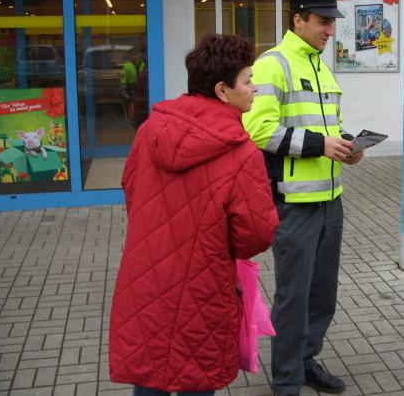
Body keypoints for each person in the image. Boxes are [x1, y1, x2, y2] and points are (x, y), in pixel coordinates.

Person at [109, 33, 279, 396]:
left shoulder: (149, 130)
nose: (255, 88)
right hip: (204, 287)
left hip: (145, 279)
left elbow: (132, 192)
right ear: (222, 90)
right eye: (249, 81)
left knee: (149, 373)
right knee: (196, 376)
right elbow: (256, 235)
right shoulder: (242, 153)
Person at [242, 0, 363, 396]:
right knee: (293, 297)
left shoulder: (322, 67)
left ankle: (306, 360)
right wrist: (320, 144)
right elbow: (257, 130)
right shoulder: (271, 65)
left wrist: (345, 145)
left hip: (331, 199)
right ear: (299, 19)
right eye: (324, 22)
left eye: (332, 23)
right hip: (293, 204)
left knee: (322, 294)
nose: (331, 31)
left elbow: (324, 128)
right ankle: (287, 379)